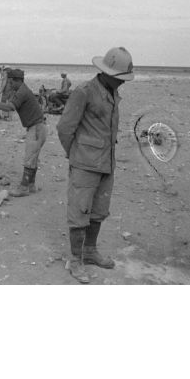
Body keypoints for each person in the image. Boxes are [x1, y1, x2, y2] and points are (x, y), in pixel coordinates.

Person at [57, 47, 134, 284]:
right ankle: (76, 259)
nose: (122, 83)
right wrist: (76, 155)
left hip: (106, 164)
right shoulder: (84, 92)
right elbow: (64, 128)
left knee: (99, 211)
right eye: (119, 78)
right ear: (106, 73)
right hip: (85, 165)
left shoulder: (112, 92)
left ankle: (90, 251)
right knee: (79, 213)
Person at [0, 68, 47, 197]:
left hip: (36, 127)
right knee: (33, 158)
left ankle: (24, 187)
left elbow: (10, 107)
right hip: (38, 126)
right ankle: (31, 185)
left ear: (16, 80)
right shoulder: (21, 90)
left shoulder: (22, 91)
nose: (10, 84)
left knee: (29, 158)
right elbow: (9, 105)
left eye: (11, 82)